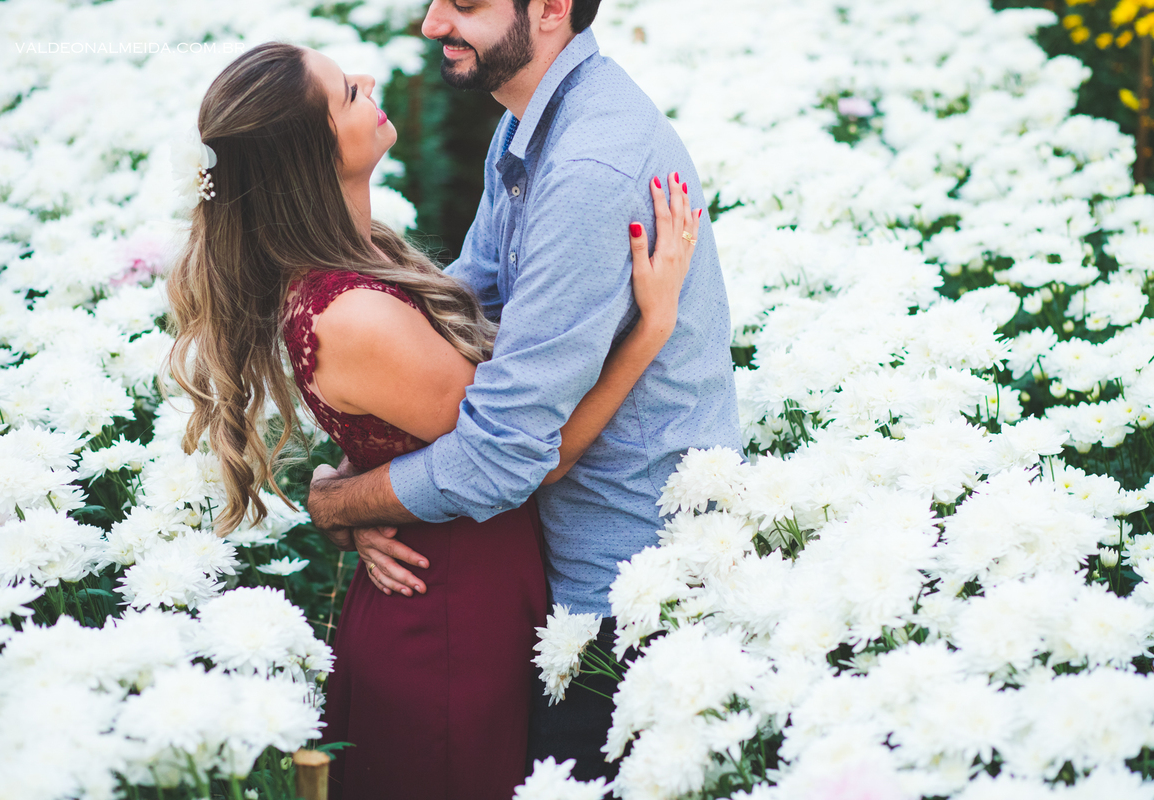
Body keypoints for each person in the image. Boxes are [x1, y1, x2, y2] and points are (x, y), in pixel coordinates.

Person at [165, 37, 701, 800]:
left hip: (466, 586)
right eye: (345, 92)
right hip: (449, 617)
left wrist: (342, 496)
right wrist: (650, 331)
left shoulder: (362, 258)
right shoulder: (351, 314)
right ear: (310, 156)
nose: (370, 78)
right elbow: (525, 457)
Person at [305, 0, 742, 783]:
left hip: (620, 588)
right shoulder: (527, 123)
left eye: (465, 5)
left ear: (548, 9)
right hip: (548, 561)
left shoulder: (586, 170)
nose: (434, 24)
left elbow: (507, 455)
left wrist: (343, 503)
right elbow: (471, 318)